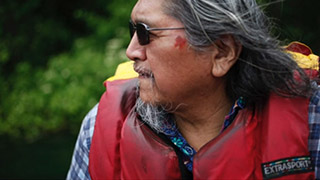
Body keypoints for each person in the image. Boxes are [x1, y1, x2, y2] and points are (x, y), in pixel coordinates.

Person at [67, 0, 320, 179]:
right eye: (133, 30)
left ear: (222, 52)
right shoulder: (100, 127)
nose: (131, 51)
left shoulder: (312, 121)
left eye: (145, 33)